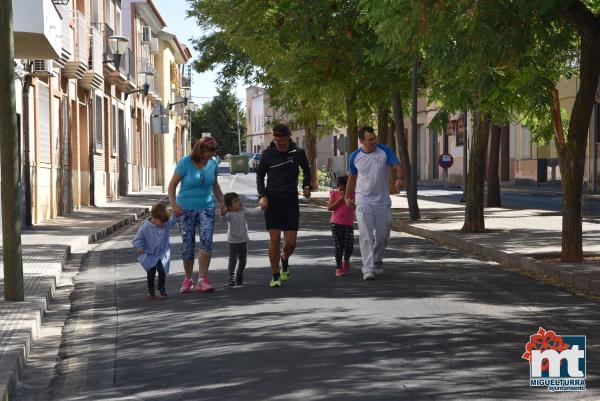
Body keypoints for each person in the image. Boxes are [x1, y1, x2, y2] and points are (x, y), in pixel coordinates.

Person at [168, 136, 226, 293]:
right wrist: (174, 205)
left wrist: (222, 202)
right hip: (185, 208)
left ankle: (202, 279)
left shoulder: (213, 164)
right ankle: (187, 279)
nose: (211, 156)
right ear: (200, 150)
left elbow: (215, 185)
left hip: (206, 207)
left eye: (213, 153)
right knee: (188, 245)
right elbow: (172, 185)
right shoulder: (185, 163)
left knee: (207, 240)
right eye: (208, 153)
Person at [345, 126, 404, 280]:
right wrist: (347, 197)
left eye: (374, 138)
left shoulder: (384, 151)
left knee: (383, 235)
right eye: (370, 139)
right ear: (361, 141)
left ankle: (377, 260)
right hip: (363, 200)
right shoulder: (355, 156)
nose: (374, 141)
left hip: (382, 201)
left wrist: (400, 178)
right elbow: (352, 177)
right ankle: (368, 268)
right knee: (365, 235)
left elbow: (398, 167)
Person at [256, 123, 311, 287]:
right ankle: (275, 275)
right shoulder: (267, 154)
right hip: (272, 200)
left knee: (290, 243)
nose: (279, 141)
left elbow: (306, 170)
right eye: (276, 138)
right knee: (274, 239)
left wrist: (306, 186)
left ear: (289, 136)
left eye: (282, 138)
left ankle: (285, 258)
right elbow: (260, 177)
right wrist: (262, 196)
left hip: (290, 200)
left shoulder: (298, 153)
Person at [132, 203, 177, 298]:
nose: (163, 224)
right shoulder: (145, 227)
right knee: (151, 273)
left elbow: (173, 220)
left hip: (162, 253)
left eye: (165, 222)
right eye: (161, 222)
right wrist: (140, 246)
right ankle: (151, 289)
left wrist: (177, 214)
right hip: (150, 254)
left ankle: (161, 287)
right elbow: (138, 239)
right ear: (154, 217)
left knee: (162, 271)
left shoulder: (165, 223)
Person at [222, 192, 264, 287]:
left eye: (238, 200)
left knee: (243, 260)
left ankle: (239, 274)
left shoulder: (243, 210)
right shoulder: (229, 214)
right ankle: (231, 277)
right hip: (233, 241)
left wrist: (261, 207)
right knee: (232, 260)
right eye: (235, 201)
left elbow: (252, 211)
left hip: (243, 240)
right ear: (230, 206)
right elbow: (223, 218)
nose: (239, 202)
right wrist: (222, 213)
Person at [327, 175, 354, 277]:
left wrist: (348, 200)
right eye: (340, 188)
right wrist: (340, 199)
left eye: (345, 188)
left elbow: (354, 206)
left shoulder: (352, 195)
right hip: (335, 223)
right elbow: (329, 207)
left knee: (349, 246)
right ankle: (338, 267)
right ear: (338, 187)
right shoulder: (334, 194)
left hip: (348, 224)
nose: (342, 191)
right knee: (338, 245)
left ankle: (346, 259)